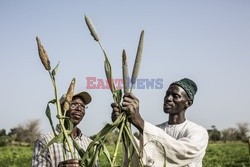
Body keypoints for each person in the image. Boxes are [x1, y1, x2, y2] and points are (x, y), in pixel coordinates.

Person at [111, 78, 209, 167]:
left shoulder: (198, 132)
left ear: (188, 103)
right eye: (167, 94)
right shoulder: (155, 130)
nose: (168, 98)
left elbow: (180, 152)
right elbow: (141, 156)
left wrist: (139, 121)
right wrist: (123, 129)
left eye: (175, 96)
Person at [32, 91, 96, 167]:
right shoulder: (45, 141)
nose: (79, 108)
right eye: (73, 104)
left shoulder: (90, 144)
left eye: (82, 106)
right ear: (61, 109)